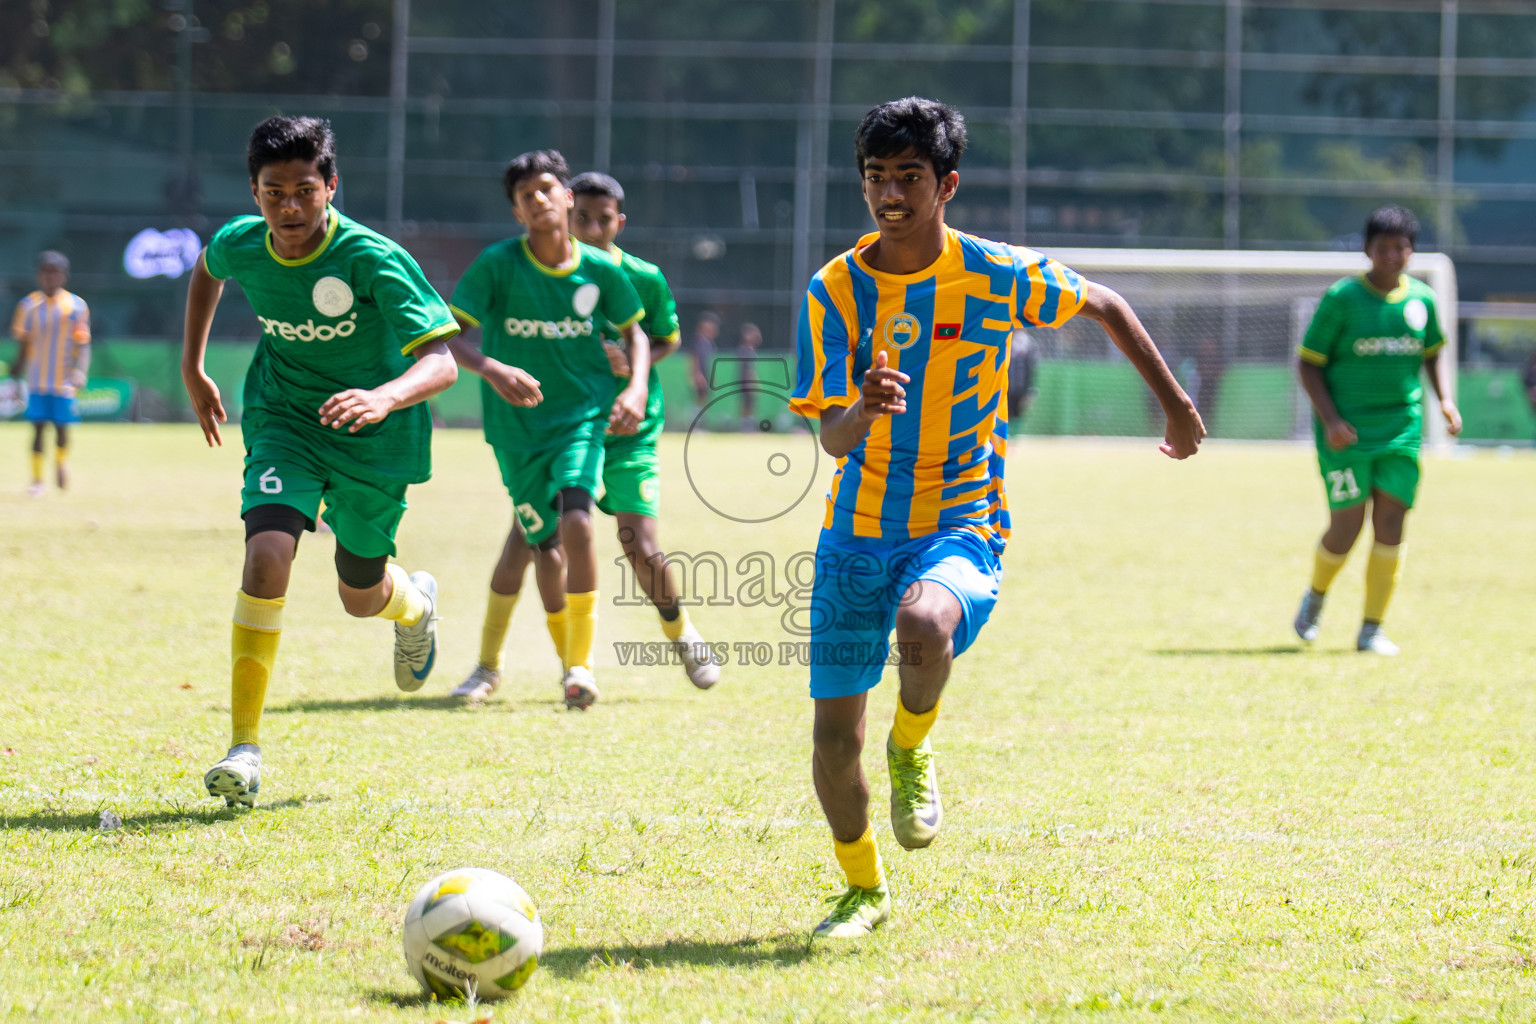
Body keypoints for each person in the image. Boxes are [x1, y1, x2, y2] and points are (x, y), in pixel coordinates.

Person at [789, 97, 1204, 939]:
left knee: (924, 622)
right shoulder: (833, 290)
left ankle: (913, 742)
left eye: (909, 177)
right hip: (854, 535)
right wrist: (863, 408)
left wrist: (1176, 406)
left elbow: (1106, 305)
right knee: (833, 741)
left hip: (961, 519)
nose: (890, 194)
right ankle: (864, 891)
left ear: (947, 184)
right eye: (876, 177)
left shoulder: (995, 273)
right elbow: (830, 439)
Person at [182, 116, 459, 807]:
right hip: (284, 420)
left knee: (359, 595)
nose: (290, 207)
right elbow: (207, 267)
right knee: (267, 554)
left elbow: (442, 361)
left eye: (305, 190)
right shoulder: (243, 244)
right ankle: (244, 748)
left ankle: (415, 603)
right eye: (274, 192)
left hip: (375, 437)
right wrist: (192, 365)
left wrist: (384, 396)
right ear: (254, 193)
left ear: (331, 186)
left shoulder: (373, 259)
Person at [446, 151, 650, 710]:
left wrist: (633, 388)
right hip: (516, 432)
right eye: (524, 196)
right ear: (516, 212)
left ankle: (579, 667)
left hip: (581, 419)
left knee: (579, 523)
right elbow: (450, 335)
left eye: (545, 189)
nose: (537, 200)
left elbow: (637, 335)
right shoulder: (497, 265)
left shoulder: (603, 271)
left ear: (566, 197)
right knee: (542, 549)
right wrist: (492, 368)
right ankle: (503, 665)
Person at [1292, 205, 1461, 655]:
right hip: (1346, 433)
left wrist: (1444, 400)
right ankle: (1316, 596)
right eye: (1383, 247)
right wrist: (1331, 420)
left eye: (1401, 247)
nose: (1392, 255)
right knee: (1346, 527)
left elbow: (1431, 354)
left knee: (1392, 523)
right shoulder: (1342, 299)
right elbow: (1309, 364)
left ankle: (1371, 628)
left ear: (1411, 251)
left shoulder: (1421, 301)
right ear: (1367, 250)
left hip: (1402, 430)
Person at [10, 250, 90, 497]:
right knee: (37, 428)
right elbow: (23, 344)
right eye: (45, 272)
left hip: (63, 381)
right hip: (37, 381)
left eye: (54, 272)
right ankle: (36, 479)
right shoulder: (28, 306)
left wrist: (80, 371)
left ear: (63, 276)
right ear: (38, 275)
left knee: (62, 428)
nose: (49, 277)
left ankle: (61, 462)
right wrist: (16, 371)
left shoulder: (76, 306)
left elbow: (83, 343)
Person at [688, 311, 720, 414]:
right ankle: (695, 423)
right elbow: (693, 357)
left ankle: (700, 423)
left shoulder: (709, 344)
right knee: (699, 398)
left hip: (705, 375)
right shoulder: (697, 341)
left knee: (704, 399)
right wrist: (697, 374)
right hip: (700, 375)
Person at [1005, 328, 1038, 426]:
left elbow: (1031, 367)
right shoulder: (1007, 340)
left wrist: (1030, 388)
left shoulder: (1030, 343)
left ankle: (1014, 436)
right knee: (1006, 410)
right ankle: (1007, 434)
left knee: (1018, 411)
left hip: (1021, 385)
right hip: (1006, 384)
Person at [736, 321, 763, 430]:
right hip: (745, 382)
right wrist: (750, 382)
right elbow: (746, 369)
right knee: (746, 404)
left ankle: (748, 425)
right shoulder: (745, 350)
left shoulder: (750, 350)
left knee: (750, 404)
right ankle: (745, 426)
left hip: (747, 381)